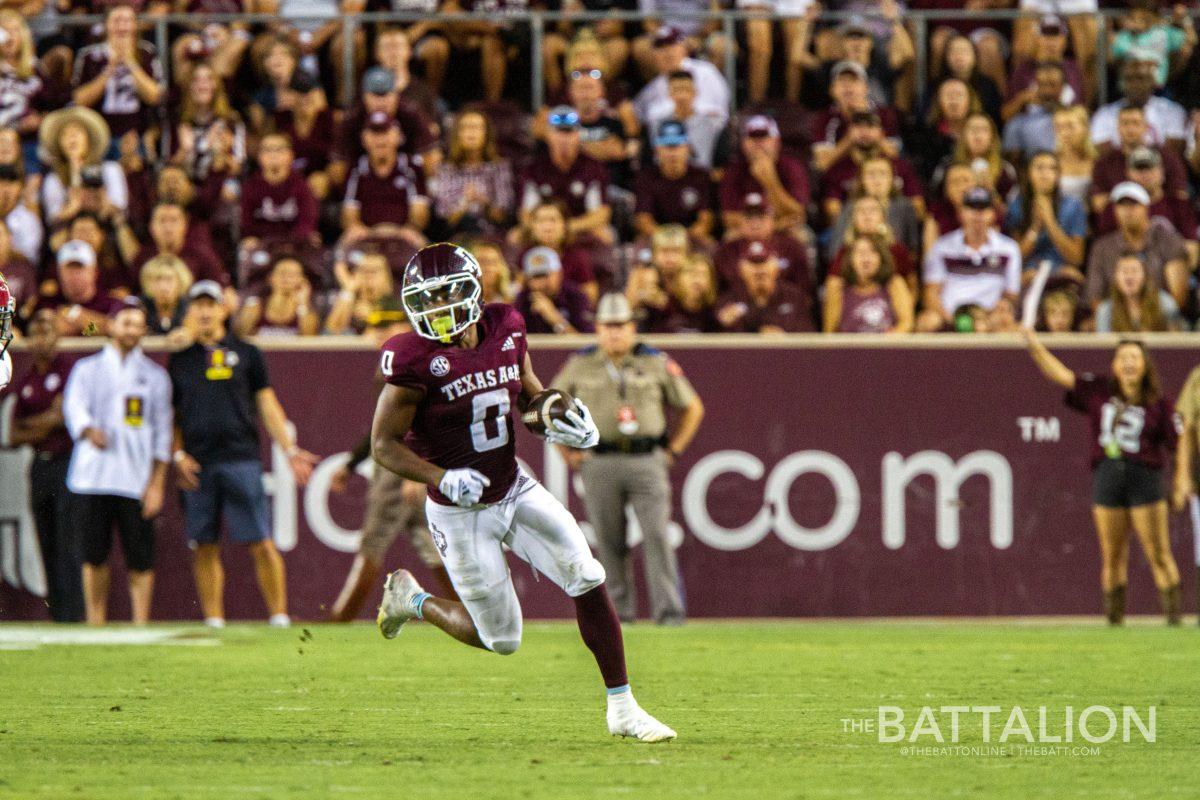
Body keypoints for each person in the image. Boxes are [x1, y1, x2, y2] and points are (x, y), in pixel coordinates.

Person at [373, 242, 677, 742]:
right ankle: (416, 600)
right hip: (458, 511)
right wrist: (439, 477)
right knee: (502, 638)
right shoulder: (412, 361)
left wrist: (563, 417)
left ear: (471, 291)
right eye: (424, 301)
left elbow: (530, 395)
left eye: (445, 295)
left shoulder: (506, 328)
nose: (437, 310)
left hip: (512, 486)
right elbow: (384, 445)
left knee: (586, 573)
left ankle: (622, 708)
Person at [168, 280, 319, 628]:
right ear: (189, 312)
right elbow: (172, 415)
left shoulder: (248, 353)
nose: (205, 311)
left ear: (224, 309)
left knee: (261, 540)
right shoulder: (179, 359)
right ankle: (214, 618)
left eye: (212, 304)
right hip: (198, 461)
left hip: (241, 458)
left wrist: (290, 449)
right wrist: (177, 454)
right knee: (203, 544)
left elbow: (268, 405)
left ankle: (279, 615)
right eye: (198, 305)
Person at [551, 293, 703, 625]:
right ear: (598, 328)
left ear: (633, 328)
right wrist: (568, 454)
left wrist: (673, 450)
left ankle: (669, 613)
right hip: (599, 459)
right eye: (608, 326)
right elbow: (551, 410)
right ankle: (619, 615)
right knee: (608, 542)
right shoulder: (580, 363)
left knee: (657, 536)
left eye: (620, 326)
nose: (614, 333)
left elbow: (692, 406)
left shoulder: (656, 361)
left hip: (646, 458)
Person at [1022, 327, 1182, 625]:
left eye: (1135, 357)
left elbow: (1178, 445)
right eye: (1123, 357)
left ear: (1146, 365)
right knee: (1112, 555)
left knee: (1158, 553)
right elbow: (1061, 375)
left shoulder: (1159, 403)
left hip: (1144, 477)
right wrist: (1034, 346)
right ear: (1114, 364)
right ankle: (1114, 620)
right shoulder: (1099, 390)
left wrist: (1181, 480)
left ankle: (1174, 619)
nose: (1129, 363)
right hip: (1108, 475)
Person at [63, 299, 172, 625]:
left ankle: (140, 622)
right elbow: (74, 407)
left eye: (138, 325)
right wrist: (86, 428)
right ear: (111, 325)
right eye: (126, 322)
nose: (132, 330)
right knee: (94, 556)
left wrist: (156, 484)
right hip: (92, 476)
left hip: (135, 479)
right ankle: (95, 621)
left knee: (140, 559)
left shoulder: (154, 377)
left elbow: (162, 435)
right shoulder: (87, 369)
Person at [9, 309, 80, 622]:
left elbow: (66, 417)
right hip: (39, 465)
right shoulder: (27, 380)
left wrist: (35, 427)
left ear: (58, 335)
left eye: (48, 331)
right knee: (46, 538)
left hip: (68, 464)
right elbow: (12, 434)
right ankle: (57, 614)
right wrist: (48, 421)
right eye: (37, 332)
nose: (42, 339)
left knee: (69, 539)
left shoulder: (69, 371)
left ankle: (74, 613)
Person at [919, 187, 1023, 333]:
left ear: (993, 214)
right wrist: (951, 319)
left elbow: (1011, 295)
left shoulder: (1009, 248)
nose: (978, 215)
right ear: (961, 213)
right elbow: (931, 293)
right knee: (927, 321)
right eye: (972, 208)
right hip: (950, 314)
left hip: (990, 317)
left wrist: (988, 319)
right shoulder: (942, 247)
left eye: (983, 209)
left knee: (1010, 324)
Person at [1085, 181, 1189, 309]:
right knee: (1103, 311)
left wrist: (1148, 319)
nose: (1128, 210)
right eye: (1122, 205)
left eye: (1134, 204)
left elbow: (1178, 297)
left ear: (1146, 207)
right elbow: (1095, 296)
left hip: (1160, 316)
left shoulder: (1168, 240)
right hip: (1117, 319)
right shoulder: (1102, 247)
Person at [1004, 150, 1086, 277]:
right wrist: (1035, 228)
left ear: (1058, 175)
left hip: (1062, 271)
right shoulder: (1016, 206)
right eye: (1039, 168)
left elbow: (1076, 258)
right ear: (1028, 173)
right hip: (1029, 273)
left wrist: (1050, 221)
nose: (1045, 174)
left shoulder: (1073, 206)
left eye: (1052, 168)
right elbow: (1015, 258)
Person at [714, 241, 812, 334]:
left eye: (763, 262)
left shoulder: (795, 297)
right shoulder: (727, 301)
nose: (759, 270)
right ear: (741, 270)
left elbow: (809, 338)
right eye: (753, 263)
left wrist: (785, 340)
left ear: (776, 267)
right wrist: (723, 326)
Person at [823, 234, 913, 334]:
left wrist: (889, 339)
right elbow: (830, 332)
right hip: (851, 348)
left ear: (881, 258)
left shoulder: (894, 283)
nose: (866, 257)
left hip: (886, 347)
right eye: (860, 252)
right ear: (850, 259)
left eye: (872, 252)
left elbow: (906, 323)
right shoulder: (838, 288)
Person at [514, 247, 595, 335]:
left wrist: (555, 319)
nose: (541, 282)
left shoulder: (576, 297)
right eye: (535, 277)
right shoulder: (523, 300)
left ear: (559, 273)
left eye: (545, 275)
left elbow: (587, 343)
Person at [1093, 254, 1182, 334]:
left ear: (1145, 277)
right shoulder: (1105, 310)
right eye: (1124, 271)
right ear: (1115, 278)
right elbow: (1104, 348)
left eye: (1134, 271)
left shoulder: (1165, 303)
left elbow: (1175, 344)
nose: (1129, 277)